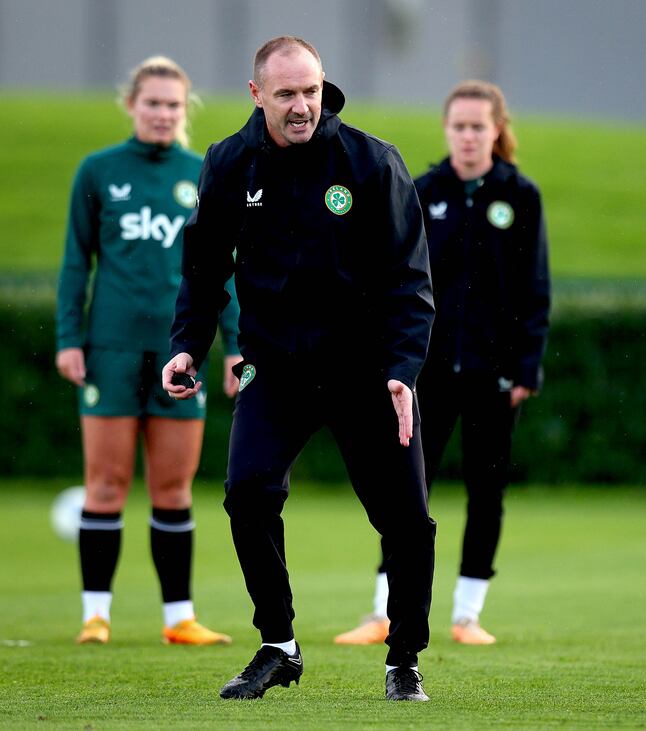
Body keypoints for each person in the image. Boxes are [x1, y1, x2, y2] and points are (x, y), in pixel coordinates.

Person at [161, 36, 436, 702]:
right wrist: (187, 346)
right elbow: (203, 270)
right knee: (247, 492)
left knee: (405, 518)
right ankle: (278, 644)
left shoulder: (371, 162)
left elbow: (410, 277)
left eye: (310, 90)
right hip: (276, 368)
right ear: (258, 95)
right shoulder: (228, 163)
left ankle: (404, 657)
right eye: (286, 94)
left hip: (367, 370)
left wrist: (402, 369)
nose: (302, 106)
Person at [334, 80, 550, 647]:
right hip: (424, 373)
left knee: (487, 491)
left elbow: (536, 289)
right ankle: (384, 610)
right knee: (405, 490)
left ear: (497, 130)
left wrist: (526, 368)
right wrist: (393, 360)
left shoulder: (520, 196)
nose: (469, 135)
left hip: (493, 374)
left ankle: (467, 615)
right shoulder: (423, 189)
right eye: (459, 126)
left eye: (480, 126)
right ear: (446, 129)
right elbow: (393, 280)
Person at [56, 56, 241, 647]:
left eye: (173, 105)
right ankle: (95, 614)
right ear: (132, 105)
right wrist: (68, 338)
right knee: (105, 483)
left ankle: (178, 618)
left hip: (179, 354)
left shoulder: (204, 172)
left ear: (185, 111)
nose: (163, 113)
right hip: (110, 351)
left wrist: (236, 346)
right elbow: (73, 263)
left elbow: (222, 272)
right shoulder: (97, 171)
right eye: (153, 103)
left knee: (173, 488)